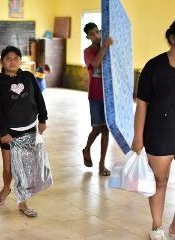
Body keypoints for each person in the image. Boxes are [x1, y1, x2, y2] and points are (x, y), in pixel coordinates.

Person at [0, 46, 48, 217]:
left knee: (23, 167)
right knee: (8, 168)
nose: (12, 61)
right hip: (10, 132)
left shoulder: (28, 77)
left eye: (16, 58)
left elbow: (39, 98)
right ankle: (6, 187)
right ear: (2, 61)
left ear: (20, 61)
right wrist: (3, 133)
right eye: (8, 58)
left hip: (29, 129)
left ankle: (23, 202)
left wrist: (43, 119)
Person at [132, 21, 175, 240]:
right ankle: (157, 226)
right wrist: (138, 137)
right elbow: (142, 103)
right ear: (172, 38)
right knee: (160, 181)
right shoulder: (154, 67)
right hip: (159, 131)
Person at [81, 22, 113, 176]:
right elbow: (95, 63)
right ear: (88, 37)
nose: (95, 35)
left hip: (108, 95)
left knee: (105, 129)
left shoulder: (108, 48)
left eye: (97, 32)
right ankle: (87, 149)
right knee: (97, 127)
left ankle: (102, 164)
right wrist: (105, 46)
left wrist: (107, 46)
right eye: (92, 34)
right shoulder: (88, 51)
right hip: (95, 96)